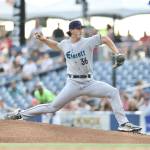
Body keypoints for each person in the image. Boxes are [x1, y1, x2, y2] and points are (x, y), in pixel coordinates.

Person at [6, 20, 141, 132]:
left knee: (113, 92)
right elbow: (56, 45)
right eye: (77, 28)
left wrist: (117, 52)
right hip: (73, 83)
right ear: (71, 30)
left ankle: (123, 123)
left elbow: (105, 38)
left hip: (89, 82)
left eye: (81, 28)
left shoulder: (88, 41)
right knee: (53, 107)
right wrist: (44, 40)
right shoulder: (65, 44)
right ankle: (20, 113)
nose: (80, 30)